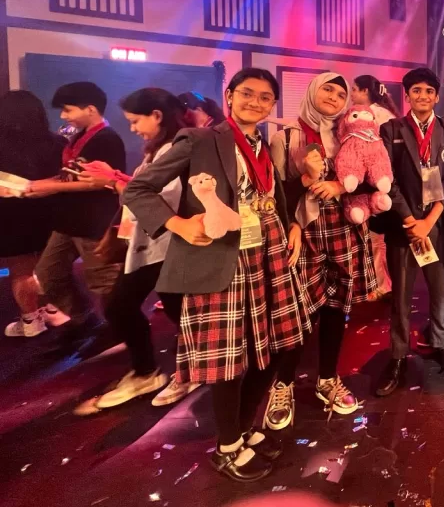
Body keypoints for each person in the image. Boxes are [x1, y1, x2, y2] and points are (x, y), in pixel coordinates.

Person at [123, 68, 310, 482]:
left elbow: (270, 197)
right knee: (229, 358)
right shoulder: (200, 139)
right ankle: (227, 446)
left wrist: (292, 224)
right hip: (221, 257)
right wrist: (178, 224)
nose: (255, 102)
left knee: (275, 345)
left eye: (265, 97)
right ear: (229, 96)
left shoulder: (263, 145)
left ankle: (243, 428)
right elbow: (136, 190)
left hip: (269, 253)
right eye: (247, 93)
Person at [264, 73, 366, 430]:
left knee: (337, 308)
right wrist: (303, 186)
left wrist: (340, 186)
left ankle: (327, 379)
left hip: (342, 227)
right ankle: (283, 384)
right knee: (296, 312)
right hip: (302, 232)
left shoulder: (347, 135)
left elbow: (364, 177)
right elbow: (274, 193)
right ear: (312, 91)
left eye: (341, 94)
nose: (334, 97)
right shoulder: (285, 137)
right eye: (328, 89)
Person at [78, 88, 188, 408]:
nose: (132, 128)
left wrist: (112, 181)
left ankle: (148, 371)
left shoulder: (175, 149)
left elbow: (158, 198)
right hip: (154, 243)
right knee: (176, 307)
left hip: (164, 243)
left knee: (120, 306)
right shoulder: (161, 148)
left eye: (135, 120)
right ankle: (189, 364)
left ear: (157, 115)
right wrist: (114, 176)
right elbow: (145, 187)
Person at [375, 67, 444, 397]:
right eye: (416, 90)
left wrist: (430, 221)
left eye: (429, 91)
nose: (423, 96)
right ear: (407, 95)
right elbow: (387, 179)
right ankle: (398, 356)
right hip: (404, 227)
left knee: (440, 292)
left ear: (436, 96)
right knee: (401, 297)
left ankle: (442, 345)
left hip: (437, 226)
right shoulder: (391, 129)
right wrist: (410, 220)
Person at [26, 82, 126, 352]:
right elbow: (70, 175)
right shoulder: (80, 137)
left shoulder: (106, 139)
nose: (63, 116)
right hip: (69, 220)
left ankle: (118, 330)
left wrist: (47, 187)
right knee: (48, 273)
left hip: (94, 221)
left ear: (90, 109)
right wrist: (35, 185)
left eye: (68, 110)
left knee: (104, 280)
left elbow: (97, 183)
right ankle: (85, 321)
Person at [0, 91, 67, 338]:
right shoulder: (57, 142)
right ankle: (54, 309)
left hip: (10, 214)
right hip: (51, 211)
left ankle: (30, 321)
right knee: (51, 266)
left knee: (21, 271)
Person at [350, 74, 399, 299]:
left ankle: (382, 284)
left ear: (365, 91)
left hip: (376, 181)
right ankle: (381, 282)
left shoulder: (371, 115)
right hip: (382, 180)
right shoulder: (385, 112)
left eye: (354, 89)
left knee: (376, 238)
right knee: (378, 238)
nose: (351, 95)